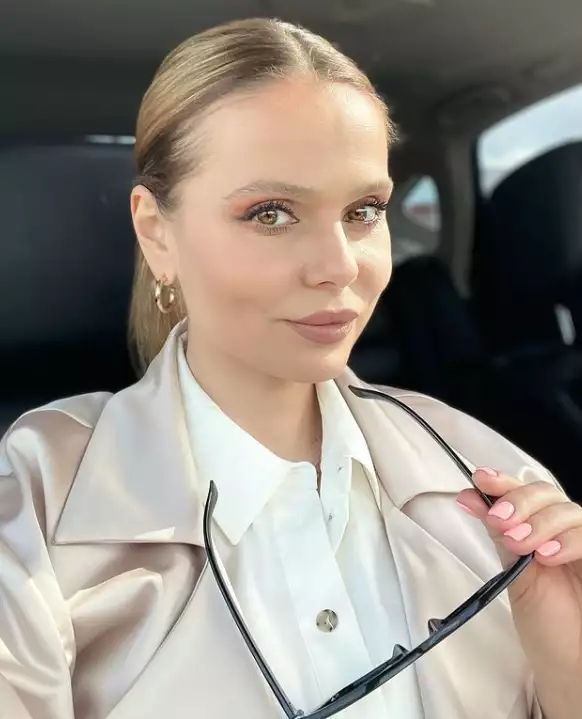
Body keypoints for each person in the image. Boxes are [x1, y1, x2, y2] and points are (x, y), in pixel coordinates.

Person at [1, 17, 581, 719]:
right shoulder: (32, 503)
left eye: (364, 210)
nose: (340, 265)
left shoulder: (486, 474)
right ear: (157, 232)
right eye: (271, 214)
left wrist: (568, 665)